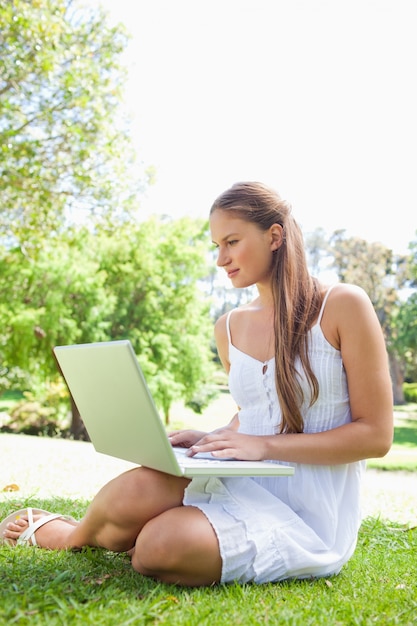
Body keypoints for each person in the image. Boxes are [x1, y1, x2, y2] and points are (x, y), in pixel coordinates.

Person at [1, 181, 393, 587]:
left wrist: (264, 447)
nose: (222, 258)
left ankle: (146, 538)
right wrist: (214, 437)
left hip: (311, 516)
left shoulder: (343, 305)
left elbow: (375, 435)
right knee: (140, 485)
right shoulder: (229, 327)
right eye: (216, 246)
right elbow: (258, 412)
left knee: (157, 548)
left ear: (274, 236)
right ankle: (72, 536)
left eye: (232, 241)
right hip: (242, 482)